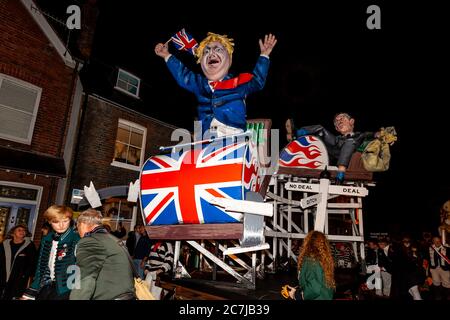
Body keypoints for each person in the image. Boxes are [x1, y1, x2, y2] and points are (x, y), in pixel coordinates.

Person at [155, 32, 277, 138]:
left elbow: (258, 82)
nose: (211, 53)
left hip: (234, 137)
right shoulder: (199, 84)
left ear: (229, 58)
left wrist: (264, 56)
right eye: (206, 51)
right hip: (206, 140)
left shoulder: (238, 83)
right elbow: (182, 75)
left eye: (218, 49)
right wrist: (167, 55)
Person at [285, 113, 380, 183]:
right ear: (337, 129)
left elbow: (371, 134)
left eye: (342, 119)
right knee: (320, 130)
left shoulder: (359, 135)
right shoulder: (337, 138)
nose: (339, 122)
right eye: (337, 122)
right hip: (335, 150)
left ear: (351, 121)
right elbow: (329, 141)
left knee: (349, 142)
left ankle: (340, 173)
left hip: (349, 156)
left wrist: (379, 134)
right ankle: (296, 134)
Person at [70, 209, 135, 300]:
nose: (78, 232)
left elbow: (85, 278)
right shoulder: (112, 239)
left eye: (78, 227)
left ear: (83, 224)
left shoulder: (90, 241)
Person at [21, 205, 80, 300]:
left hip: (66, 289)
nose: (61, 225)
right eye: (56, 222)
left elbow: (79, 265)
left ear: (70, 220)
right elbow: (41, 266)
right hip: (46, 285)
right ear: (50, 222)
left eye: (65, 221)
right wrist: (31, 291)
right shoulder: (47, 238)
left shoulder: (76, 238)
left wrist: (73, 291)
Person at [286, 231, 335, 300]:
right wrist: (298, 290)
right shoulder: (324, 260)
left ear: (308, 243)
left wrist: (296, 296)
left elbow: (314, 289)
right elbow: (319, 282)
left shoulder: (311, 261)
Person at [0, 224, 37, 300]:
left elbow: (33, 262)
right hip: (2, 277)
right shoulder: (4, 244)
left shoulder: (29, 245)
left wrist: (25, 275)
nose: (22, 232)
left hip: (19, 279)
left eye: (24, 231)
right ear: (12, 233)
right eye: (19, 230)